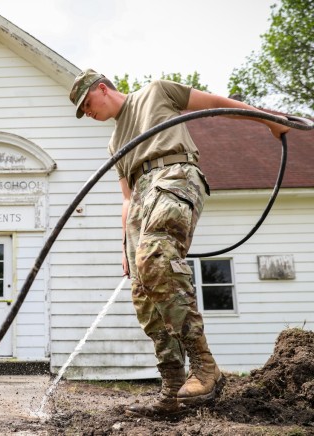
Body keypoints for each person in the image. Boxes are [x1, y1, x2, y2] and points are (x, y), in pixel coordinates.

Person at [69, 69, 289, 418]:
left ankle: (205, 368)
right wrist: (125, 244)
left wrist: (269, 120)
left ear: (102, 88)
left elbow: (214, 104)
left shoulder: (155, 92)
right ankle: (172, 391)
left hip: (174, 176)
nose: (88, 112)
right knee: (143, 293)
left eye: (87, 104)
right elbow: (127, 198)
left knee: (157, 257)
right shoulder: (115, 142)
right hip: (141, 197)